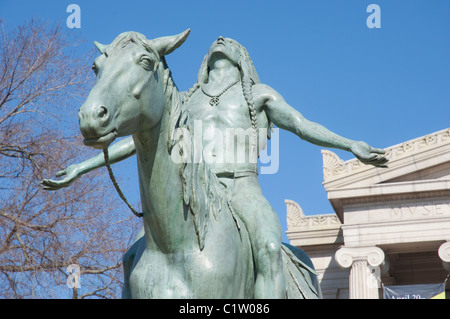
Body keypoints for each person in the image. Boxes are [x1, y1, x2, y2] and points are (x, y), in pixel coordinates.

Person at [43, 36, 388, 298]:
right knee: (134, 254)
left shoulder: (258, 94)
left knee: (268, 248)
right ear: (205, 61)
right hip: (197, 188)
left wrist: (349, 144)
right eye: (215, 43)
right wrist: (83, 166)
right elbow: (140, 141)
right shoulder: (188, 98)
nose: (221, 40)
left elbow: (301, 124)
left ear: (243, 59)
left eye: (231, 42)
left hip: (241, 188)